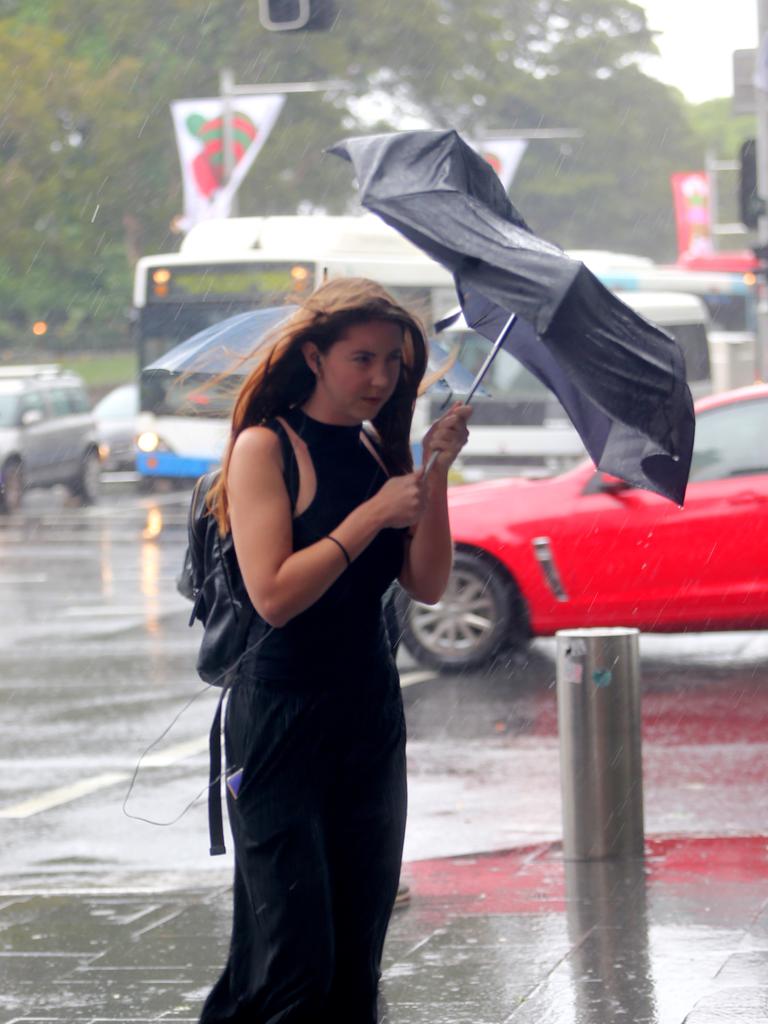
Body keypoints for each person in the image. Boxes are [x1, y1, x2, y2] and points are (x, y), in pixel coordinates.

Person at [199, 277, 471, 1024]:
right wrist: (370, 516)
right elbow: (276, 595)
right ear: (314, 356)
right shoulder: (267, 447)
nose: (381, 378)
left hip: (370, 716)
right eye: (362, 359)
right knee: (294, 960)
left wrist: (433, 471)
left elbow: (427, 583)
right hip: (281, 720)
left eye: (393, 361)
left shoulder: (378, 451)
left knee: (356, 958)